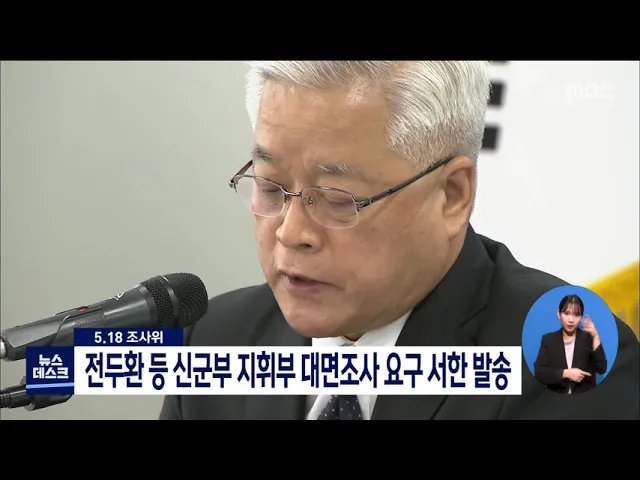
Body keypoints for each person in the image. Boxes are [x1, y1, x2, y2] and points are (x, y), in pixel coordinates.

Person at [159, 61, 639, 420]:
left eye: (338, 199)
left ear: (452, 195)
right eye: (269, 187)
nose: (290, 232)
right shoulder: (215, 341)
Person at [533, 294, 608, 395]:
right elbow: (539, 373)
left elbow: (602, 368)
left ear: (581, 317)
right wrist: (565, 373)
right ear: (559, 314)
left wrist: (595, 336)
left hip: (583, 398)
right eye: (567, 313)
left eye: (576, 315)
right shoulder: (548, 340)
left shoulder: (588, 339)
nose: (571, 320)